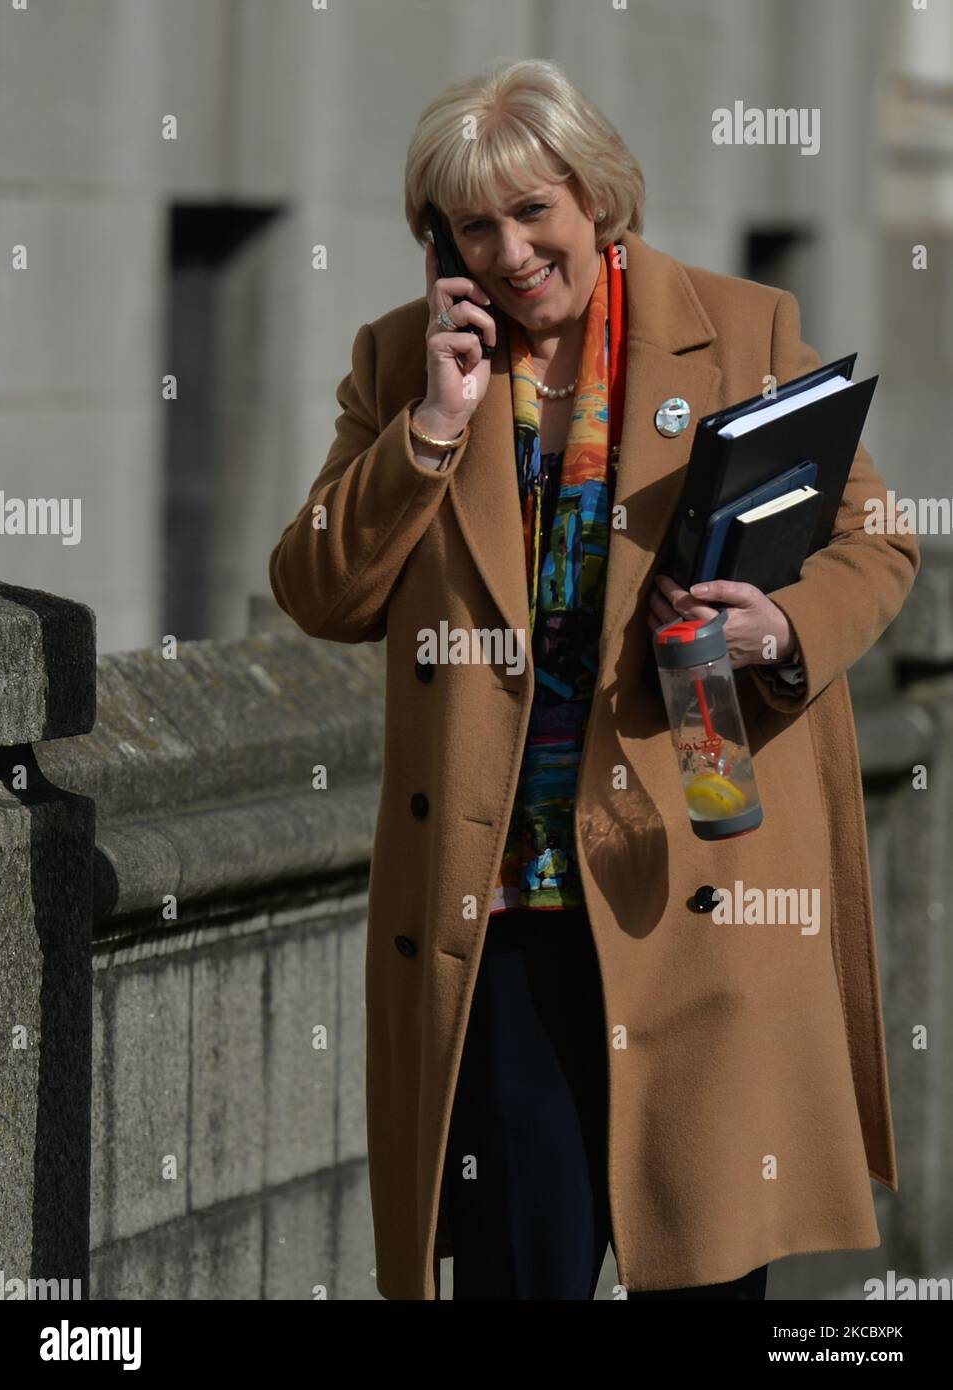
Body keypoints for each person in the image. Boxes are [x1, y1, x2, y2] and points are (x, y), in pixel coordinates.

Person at [268, 58, 920, 1301]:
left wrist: (774, 628)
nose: (509, 252)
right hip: (502, 918)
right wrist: (434, 429)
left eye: (533, 210)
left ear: (596, 196)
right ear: (437, 243)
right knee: (520, 1272)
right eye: (473, 224)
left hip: (699, 896)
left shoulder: (742, 329)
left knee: (706, 1275)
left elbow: (876, 541)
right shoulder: (404, 361)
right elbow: (317, 589)